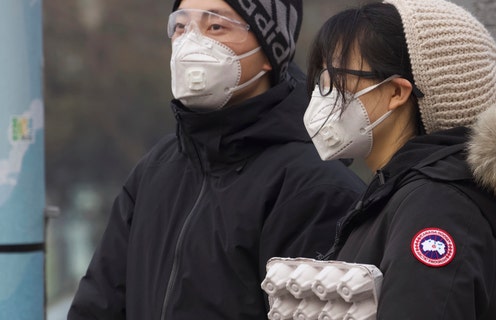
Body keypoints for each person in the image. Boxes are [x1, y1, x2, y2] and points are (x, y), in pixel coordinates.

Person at [68, 0, 365, 319]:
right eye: (180, 26)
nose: (191, 42)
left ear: (270, 50)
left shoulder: (315, 188)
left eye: (216, 27)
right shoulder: (157, 168)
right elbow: (98, 304)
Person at [301, 0, 496, 319]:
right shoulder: (398, 195)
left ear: (396, 92)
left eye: (335, 77)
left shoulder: (436, 207)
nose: (324, 93)